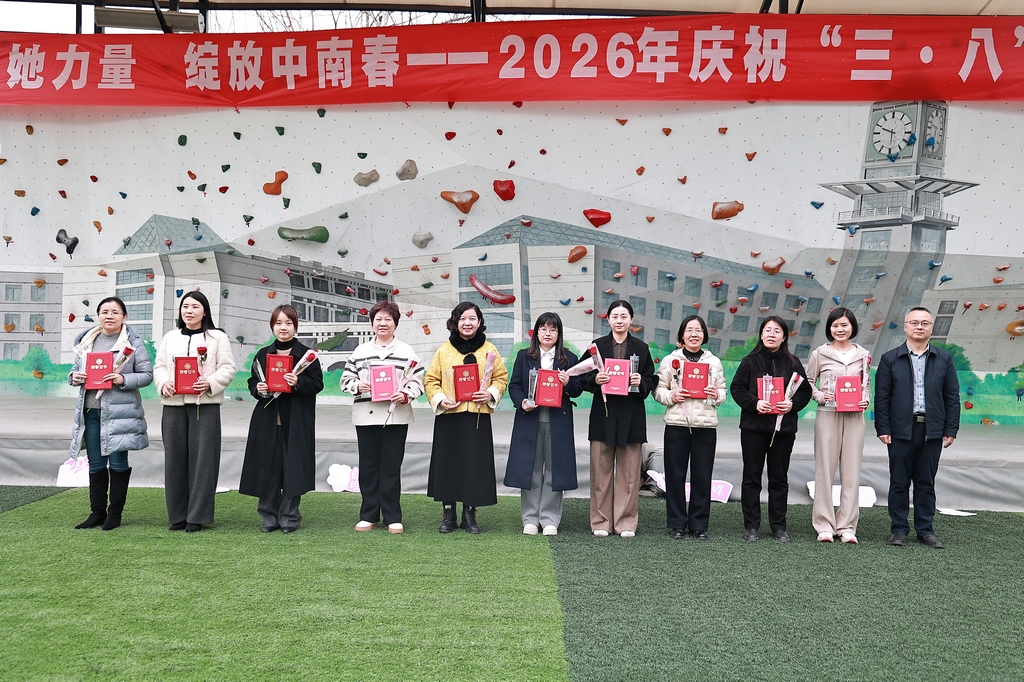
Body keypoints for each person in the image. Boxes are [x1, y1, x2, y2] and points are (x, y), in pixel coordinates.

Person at [875, 306, 960, 549]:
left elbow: (951, 397)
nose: (919, 327)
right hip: (900, 430)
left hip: (932, 430)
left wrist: (950, 429)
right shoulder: (890, 358)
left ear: (931, 327)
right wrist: (883, 427)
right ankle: (899, 529)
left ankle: (925, 530)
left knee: (925, 482)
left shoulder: (944, 358)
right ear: (905, 327)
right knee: (899, 482)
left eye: (924, 323)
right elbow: (882, 397)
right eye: (914, 322)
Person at [153, 291, 236, 533]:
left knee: (203, 462)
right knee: (174, 461)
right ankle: (177, 515)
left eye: (195, 306)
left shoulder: (218, 337)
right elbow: (159, 367)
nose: (189, 311)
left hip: (205, 406)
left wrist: (210, 382)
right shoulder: (170, 337)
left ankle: (197, 516)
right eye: (185, 306)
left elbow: (228, 368)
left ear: (205, 311)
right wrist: (163, 384)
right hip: (173, 406)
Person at [68, 297, 153, 531]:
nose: (109, 316)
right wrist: (74, 377)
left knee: (117, 462)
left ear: (124, 317)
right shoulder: (87, 342)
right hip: (90, 411)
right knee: (95, 463)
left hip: (119, 413)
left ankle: (115, 513)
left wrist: (122, 379)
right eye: (104, 311)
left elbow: (147, 375)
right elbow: (75, 369)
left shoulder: (133, 344)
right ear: (98, 315)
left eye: (115, 312)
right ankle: (97, 512)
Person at [339, 301, 424, 534]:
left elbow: (418, 381)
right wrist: (358, 386)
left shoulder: (407, 352)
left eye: (388, 319)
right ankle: (368, 515)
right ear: (372, 323)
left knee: (391, 467)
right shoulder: (360, 352)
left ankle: (392, 516)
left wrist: (405, 394)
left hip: (396, 416)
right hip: (365, 417)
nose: (383, 323)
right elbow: (345, 380)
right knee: (368, 467)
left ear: (395, 323)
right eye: (378, 319)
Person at [424, 302, 508, 534]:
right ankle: (448, 512)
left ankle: (469, 513)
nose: (467, 323)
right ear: (455, 322)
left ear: (479, 322)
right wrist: (441, 399)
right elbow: (431, 380)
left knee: (474, 464)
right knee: (447, 463)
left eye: (472, 318)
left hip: (477, 416)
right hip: (450, 415)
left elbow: (501, 378)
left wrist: (490, 393)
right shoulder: (444, 350)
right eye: (462, 318)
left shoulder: (489, 349)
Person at [239, 305, 324, 534]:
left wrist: (298, 382)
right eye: (278, 323)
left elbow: (317, 384)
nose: (283, 327)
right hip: (267, 421)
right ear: (272, 326)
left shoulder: (307, 356)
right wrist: (257, 388)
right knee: (267, 470)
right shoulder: (263, 354)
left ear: (295, 326)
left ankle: (289, 517)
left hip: (295, 422)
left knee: (292, 470)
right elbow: (253, 381)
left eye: (288, 323)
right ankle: (268, 517)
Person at [729, 316, 812, 543]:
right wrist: (754, 403)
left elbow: (805, 391)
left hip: (783, 430)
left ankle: (779, 526)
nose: (771, 334)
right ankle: (751, 525)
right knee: (751, 477)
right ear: (761, 334)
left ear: (784, 336)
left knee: (779, 479)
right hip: (753, 429)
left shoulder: (793, 363)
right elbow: (737, 389)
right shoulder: (750, 361)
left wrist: (792, 405)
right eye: (767, 330)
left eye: (776, 331)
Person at [579, 300, 657, 538]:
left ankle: (625, 523)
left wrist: (640, 382)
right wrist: (595, 380)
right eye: (615, 316)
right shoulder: (596, 347)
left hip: (631, 417)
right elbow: (581, 376)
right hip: (603, 416)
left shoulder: (641, 348)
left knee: (629, 474)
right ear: (608, 319)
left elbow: (651, 379)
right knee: (600, 473)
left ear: (631, 320)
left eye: (624, 316)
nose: (619, 320)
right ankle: (601, 522)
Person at [504, 312, 583, 536]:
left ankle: (549, 519)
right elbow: (515, 385)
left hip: (558, 420)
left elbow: (578, 389)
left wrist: (567, 383)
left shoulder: (569, 358)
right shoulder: (524, 356)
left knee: (555, 469)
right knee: (531, 468)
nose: (548, 333)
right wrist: (522, 402)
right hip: (530, 418)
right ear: (536, 332)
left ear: (559, 334)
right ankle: (530, 518)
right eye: (543, 329)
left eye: (553, 330)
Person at [653, 315, 727, 540]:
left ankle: (699, 524)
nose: (694, 334)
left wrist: (716, 394)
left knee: (702, 476)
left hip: (705, 426)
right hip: (677, 425)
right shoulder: (670, 360)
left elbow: (723, 391)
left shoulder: (714, 362)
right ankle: (677, 524)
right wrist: (672, 396)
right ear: (682, 335)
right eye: (689, 330)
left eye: (698, 330)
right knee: (675, 475)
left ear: (704, 335)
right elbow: (658, 390)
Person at [806, 308, 871, 544]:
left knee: (851, 471)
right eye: (835, 325)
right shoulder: (819, 354)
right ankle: (824, 525)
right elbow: (808, 382)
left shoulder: (863, 355)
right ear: (829, 328)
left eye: (844, 325)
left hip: (855, 417)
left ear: (852, 327)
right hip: (827, 415)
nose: (840, 329)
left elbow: (866, 384)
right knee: (824, 470)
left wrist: (865, 399)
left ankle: (847, 526)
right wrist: (821, 396)